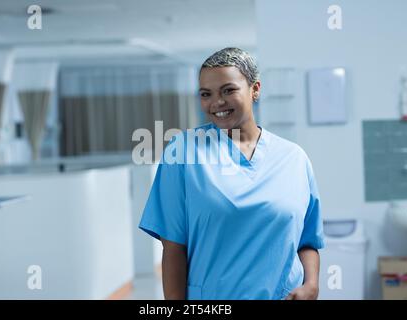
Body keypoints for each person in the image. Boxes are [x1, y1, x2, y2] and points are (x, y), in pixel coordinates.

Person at [139, 47, 324, 300]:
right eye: (206, 94)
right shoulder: (182, 152)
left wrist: (311, 285)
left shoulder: (294, 159)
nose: (217, 103)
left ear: (255, 89)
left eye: (228, 90)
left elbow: (307, 241)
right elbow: (173, 247)